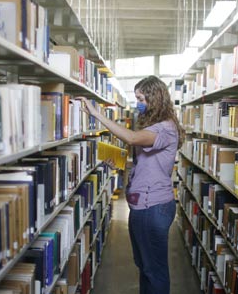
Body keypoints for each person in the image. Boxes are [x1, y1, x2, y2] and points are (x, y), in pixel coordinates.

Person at [77, 75, 184, 294]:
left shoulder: (165, 128)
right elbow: (147, 164)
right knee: (146, 267)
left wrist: (96, 114)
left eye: (141, 98)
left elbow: (133, 139)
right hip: (143, 205)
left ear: (154, 98)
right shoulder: (156, 126)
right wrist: (119, 163)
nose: (138, 103)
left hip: (152, 206)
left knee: (154, 271)